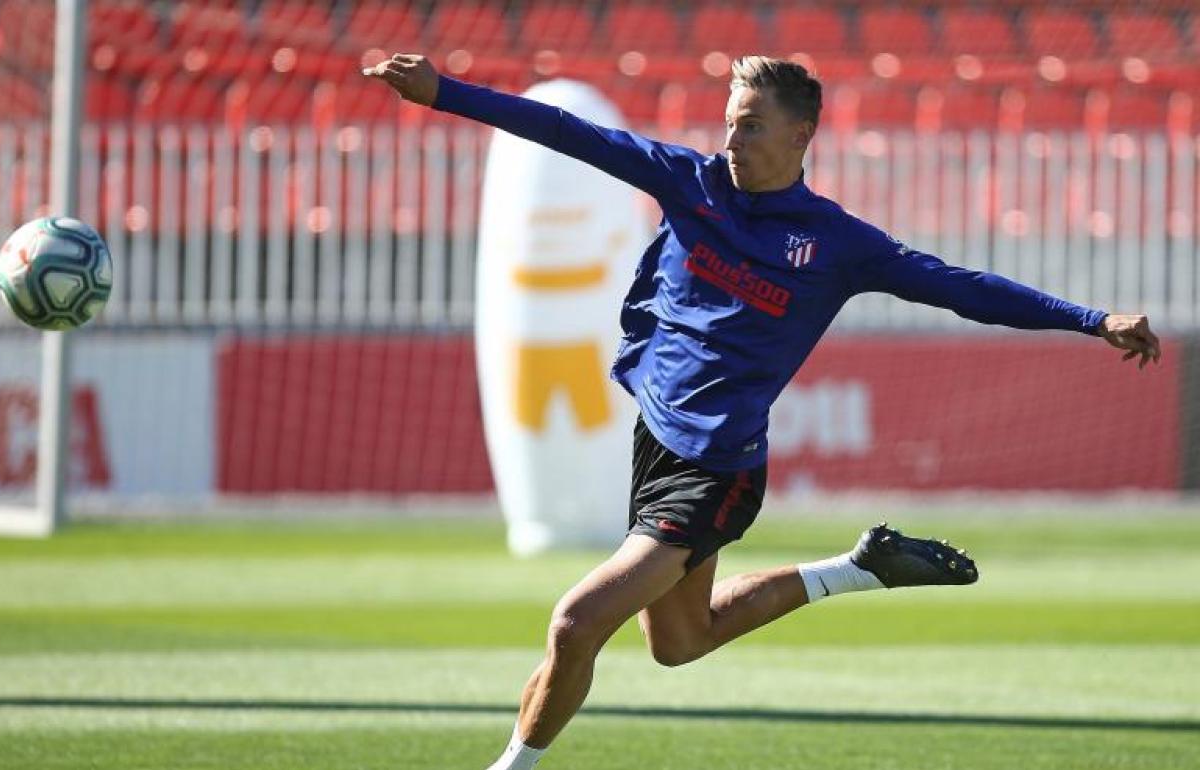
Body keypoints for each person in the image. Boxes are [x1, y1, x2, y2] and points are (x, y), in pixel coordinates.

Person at [366, 53, 1161, 770]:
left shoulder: (835, 242)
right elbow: (567, 133)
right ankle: (858, 569)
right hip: (656, 444)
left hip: (717, 471)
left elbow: (963, 288)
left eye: (750, 125)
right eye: (729, 123)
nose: (731, 139)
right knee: (680, 644)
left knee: (577, 623)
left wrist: (1092, 320)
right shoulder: (692, 182)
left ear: (800, 136)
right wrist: (444, 94)